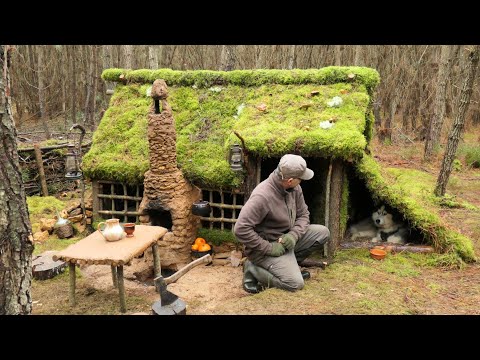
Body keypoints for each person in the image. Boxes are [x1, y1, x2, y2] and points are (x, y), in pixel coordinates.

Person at [234, 154, 330, 293]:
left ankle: (289, 268)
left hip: (286, 239)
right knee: (295, 284)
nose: (302, 181)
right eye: (300, 179)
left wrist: (293, 235)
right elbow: (241, 229)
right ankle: (253, 269)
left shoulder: (294, 189)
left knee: (322, 233)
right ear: (290, 180)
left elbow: (304, 215)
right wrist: (268, 248)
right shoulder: (262, 196)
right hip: (265, 248)